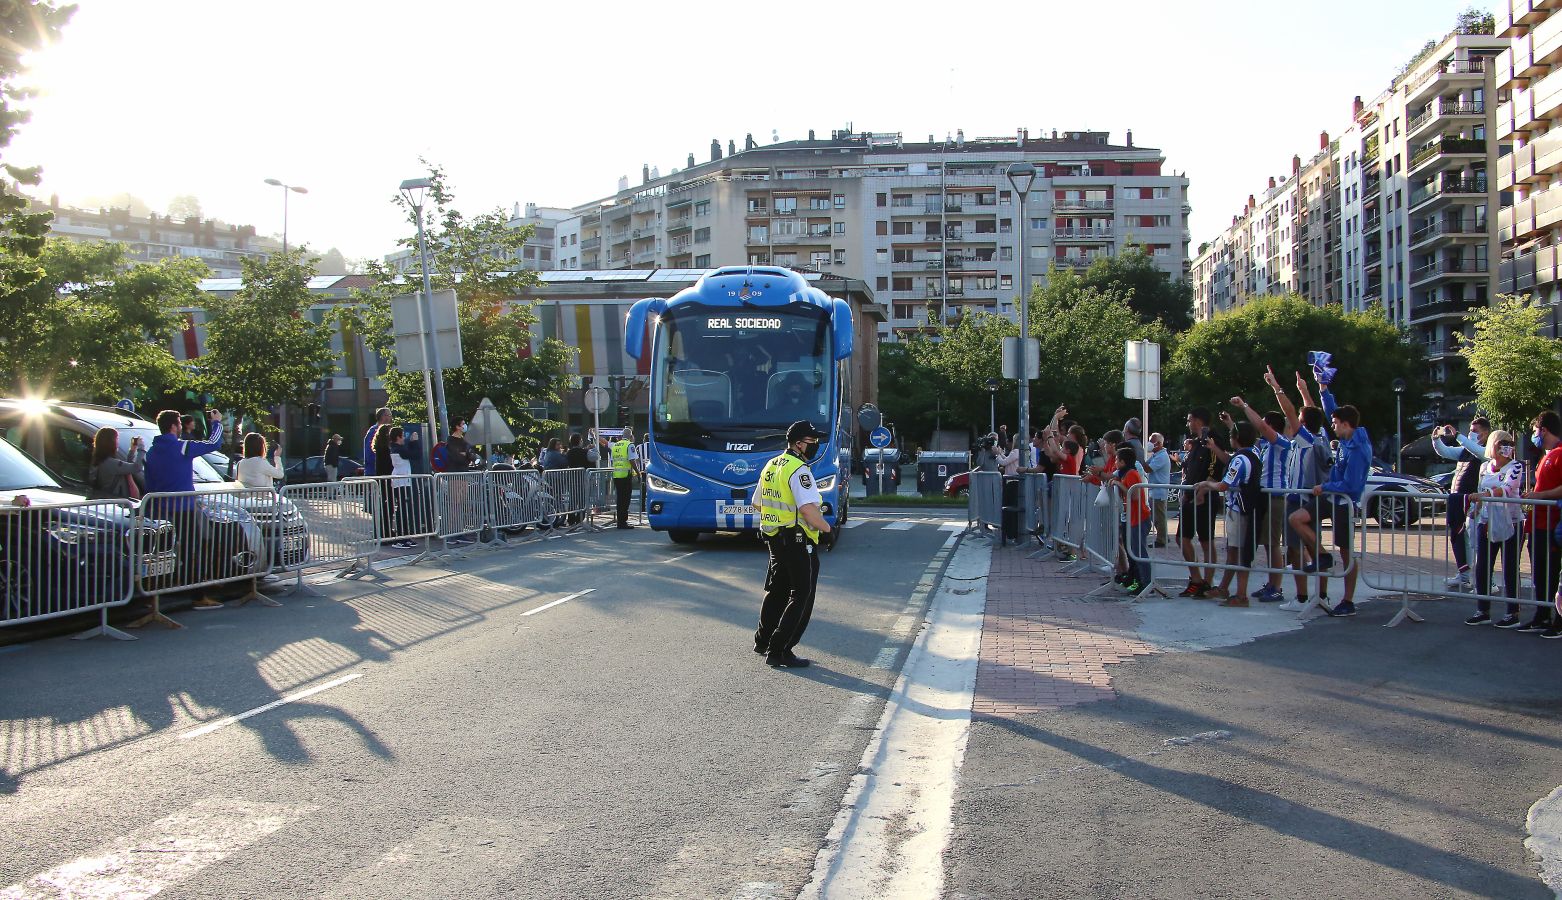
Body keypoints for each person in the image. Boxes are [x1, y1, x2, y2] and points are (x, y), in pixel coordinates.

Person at [752, 420, 834, 670]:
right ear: (798, 443)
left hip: (774, 538)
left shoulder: (771, 465)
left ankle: (763, 641)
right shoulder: (799, 470)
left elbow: (757, 502)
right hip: (798, 541)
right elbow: (809, 511)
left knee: (776, 591)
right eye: (812, 442)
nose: (815, 446)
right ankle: (781, 650)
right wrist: (827, 530)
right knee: (801, 595)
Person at [1289, 389, 1370, 617]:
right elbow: (1330, 409)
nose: (1332, 426)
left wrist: (1324, 486)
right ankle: (1323, 554)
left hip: (1344, 501)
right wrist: (1322, 388)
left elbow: (1351, 485)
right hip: (1330, 496)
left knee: (1346, 553)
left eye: (1335, 423)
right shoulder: (1346, 437)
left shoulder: (1358, 449)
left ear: (1346, 424)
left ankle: (1347, 600)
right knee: (1296, 519)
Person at [145, 409, 225, 609]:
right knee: (192, 549)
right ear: (173, 426)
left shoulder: (152, 451)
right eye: (179, 424)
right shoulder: (181, 447)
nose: (181, 427)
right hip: (184, 507)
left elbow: (149, 482)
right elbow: (213, 443)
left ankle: (155, 596)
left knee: (159, 552)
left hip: (159, 508)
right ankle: (197, 595)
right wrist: (216, 423)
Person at [1231, 384, 1291, 603]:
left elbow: (1262, 429)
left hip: (1274, 498)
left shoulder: (1281, 443)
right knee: (1267, 543)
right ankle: (1271, 583)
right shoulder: (1264, 445)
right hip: (1263, 497)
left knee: (1273, 543)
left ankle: (1277, 587)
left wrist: (1245, 406)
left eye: (1264, 423)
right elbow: (1247, 440)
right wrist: (1231, 424)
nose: (1260, 426)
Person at [1463, 430, 1526, 628]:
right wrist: (1476, 507)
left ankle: (1512, 612)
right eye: (1502, 443)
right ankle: (1483, 610)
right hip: (1487, 521)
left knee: (1510, 567)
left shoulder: (1516, 466)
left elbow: (1508, 487)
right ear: (1494, 445)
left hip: (1511, 522)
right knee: (1483, 566)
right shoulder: (1484, 467)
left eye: (1509, 443)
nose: (1506, 447)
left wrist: (1486, 494)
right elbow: (1480, 489)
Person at [1196, 420, 1262, 608]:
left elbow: (1224, 485)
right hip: (1247, 509)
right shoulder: (1253, 454)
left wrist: (1206, 484)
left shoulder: (1241, 459)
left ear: (1236, 438)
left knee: (1240, 552)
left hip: (1239, 510)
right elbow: (1229, 461)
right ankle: (1224, 587)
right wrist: (1215, 448)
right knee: (1234, 551)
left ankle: (1241, 595)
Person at [1434, 417, 1491, 591]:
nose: (1471, 434)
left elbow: (1479, 452)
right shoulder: (1465, 449)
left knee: (1475, 541)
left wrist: (1459, 436)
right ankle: (1464, 574)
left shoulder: (1486, 450)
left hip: (1474, 502)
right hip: (1458, 499)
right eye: (1470, 431)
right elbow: (1446, 452)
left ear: (1486, 433)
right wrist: (1436, 439)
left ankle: (1486, 580)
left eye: (1475, 431)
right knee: (1458, 536)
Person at [1520, 410, 1562, 637]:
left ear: (1543, 429)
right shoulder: (1546, 455)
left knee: (1553, 573)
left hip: (1552, 525)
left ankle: (1557, 620)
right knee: (1540, 573)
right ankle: (1542, 615)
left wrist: (1540, 496)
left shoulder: (1560, 454)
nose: (1534, 435)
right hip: (1537, 524)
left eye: (1535, 430)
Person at [1178, 407, 1222, 598]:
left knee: (1206, 540)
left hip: (1205, 497)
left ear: (1198, 420)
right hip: (1189, 495)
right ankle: (1195, 578)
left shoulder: (1212, 440)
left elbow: (1215, 469)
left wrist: (1204, 489)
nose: (1188, 424)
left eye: (1190, 420)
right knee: (1182, 538)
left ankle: (1207, 581)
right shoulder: (1195, 443)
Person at [1106, 446, 1153, 597]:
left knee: (1139, 551)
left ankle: (1146, 582)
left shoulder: (1131, 474)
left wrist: (1119, 484)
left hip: (1140, 516)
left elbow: (1134, 496)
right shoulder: (1124, 474)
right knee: (1133, 550)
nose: (1114, 463)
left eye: (1117, 460)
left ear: (1123, 461)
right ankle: (1137, 579)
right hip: (1132, 516)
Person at [86, 428, 145, 500]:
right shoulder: (111, 463)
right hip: (116, 503)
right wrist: (141, 448)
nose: (118, 442)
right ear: (111, 442)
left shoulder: (100, 460)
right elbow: (137, 468)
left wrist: (132, 451)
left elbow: (127, 468)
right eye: (117, 439)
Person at [1145, 433, 1172, 547]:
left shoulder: (1161, 456)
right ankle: (1164, 536)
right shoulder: (1157, 454)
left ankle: (1162, 540)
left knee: (1158, 517)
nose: (1149, 444)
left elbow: (1148, 468)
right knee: (1156, 516)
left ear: (1159, 443)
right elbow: (1146, 464)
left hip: (1159, 490)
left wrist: (1138, 458)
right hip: (1155, 490)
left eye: (1152, 441)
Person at [611, 427, 638, 529]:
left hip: (616, 475)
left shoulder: (616, 445)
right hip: (625, 475)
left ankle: (620, 521)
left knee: (620, 499)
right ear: (631, 436)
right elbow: (632, 460)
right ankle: (623, 522)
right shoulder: (629, 445)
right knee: (625, 499)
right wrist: (638, 472)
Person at [363, 407, 392, 476]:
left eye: (390, 415)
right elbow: (369, 452)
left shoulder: (387, 431)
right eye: (386, 415)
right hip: (374, 472)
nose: (389, 417)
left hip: (384, 471)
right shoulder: (374, 431)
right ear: (380, 416)